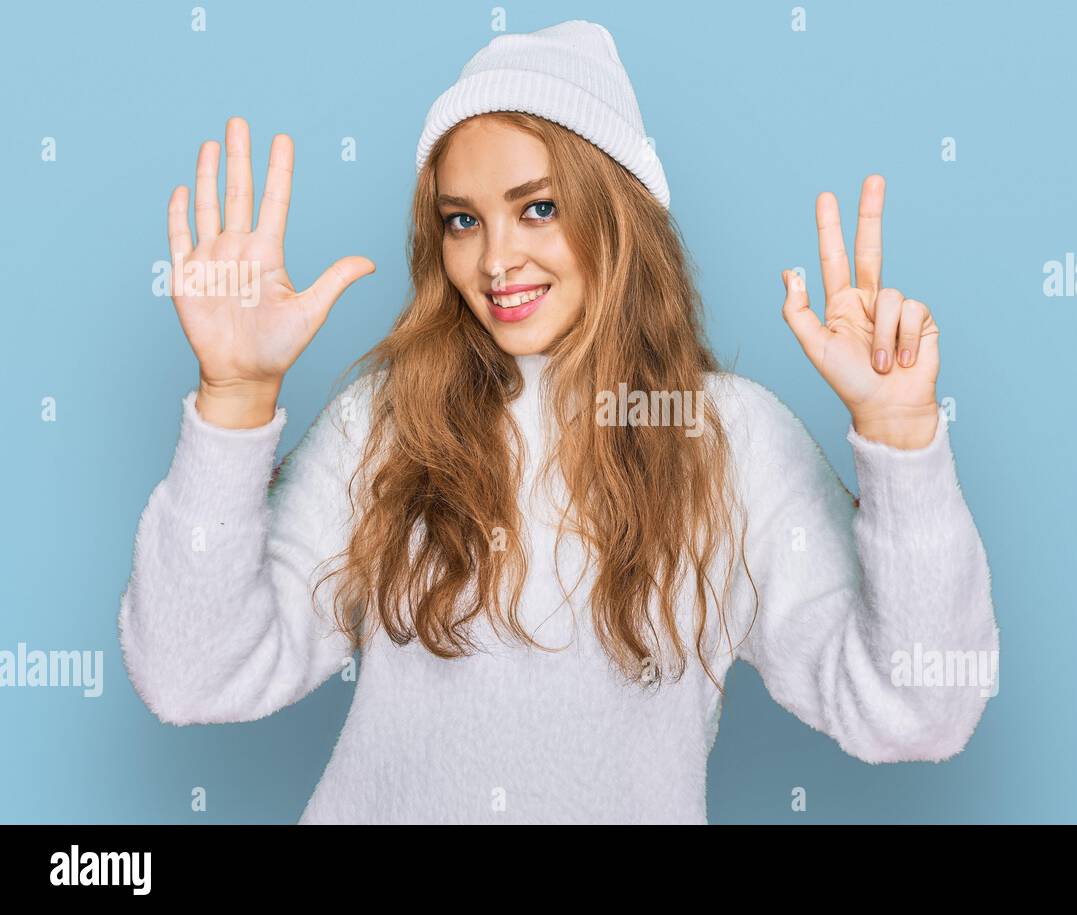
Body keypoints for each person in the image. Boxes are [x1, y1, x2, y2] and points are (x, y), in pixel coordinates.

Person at [118, 19, 999, 824]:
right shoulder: (389, 422)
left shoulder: (728, 441)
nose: (496, 259)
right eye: (463, 220)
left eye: (538, 207)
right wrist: (233, 395)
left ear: (615, 213)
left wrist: (901, 440)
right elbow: (191, 674)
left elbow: (921, 710)